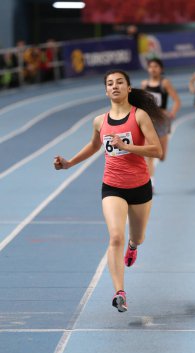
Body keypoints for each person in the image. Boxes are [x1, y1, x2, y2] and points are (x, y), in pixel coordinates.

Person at [54, 70, 163, 313]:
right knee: (115, 236)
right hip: (112, 186)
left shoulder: (140, 116)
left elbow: (157, 150)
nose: (115, 86)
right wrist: (70, 162)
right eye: (110, 84)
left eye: (120, 82)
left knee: (138, 237)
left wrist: (128, 146)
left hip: (139, 187)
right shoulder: (99, 121)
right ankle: (119, 292)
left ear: (129, 88)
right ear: (106, 91)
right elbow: (94, 145)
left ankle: (133, 247)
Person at [141, 58, 181, 189]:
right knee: (150, 154)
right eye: (151, 66)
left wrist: (172, 113)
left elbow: (176, 101)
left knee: (162, 156)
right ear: (148, 69)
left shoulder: (165, 83)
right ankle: (151, 183)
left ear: (161, 69)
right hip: (149, 120)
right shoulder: (144, 84)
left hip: (162, 121)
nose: (153, 69)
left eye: (156, 66)